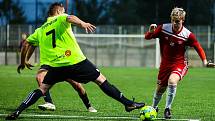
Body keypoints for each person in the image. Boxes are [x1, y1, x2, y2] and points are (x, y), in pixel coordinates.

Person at [6, 2, 145, 120]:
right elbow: (71, 18)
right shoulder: (60, 17)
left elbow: (27, 44)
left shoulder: (40, 30)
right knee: (101, 80)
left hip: (55, 67)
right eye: (64, 11)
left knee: (42, 88)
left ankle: (18, 111)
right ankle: (127, 103)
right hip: (75, 61)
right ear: (59, 10)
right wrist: (82, 23)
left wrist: (24, 61)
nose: (65, 12)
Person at [144, 7, 215, 119]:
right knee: (160, 90)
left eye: (177, 21)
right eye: (173, 20)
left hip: (180, 64)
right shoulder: (163, 28)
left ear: (182, 20)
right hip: (165, 64)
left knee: (172, 81)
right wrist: (150, 32)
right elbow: (147, 37)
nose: (175, 23)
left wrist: (205, 62)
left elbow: (198, 47)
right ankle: (154, 108)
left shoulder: (187, 34)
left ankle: (167, 108)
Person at [21, 45, 97, 112]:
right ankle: (49, 103)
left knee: (77, 85)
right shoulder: (40, 32)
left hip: (64, 61)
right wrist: (26, 59)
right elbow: (30, 44)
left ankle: (88, 105)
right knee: (40, 77)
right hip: (49, 62)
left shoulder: (60, 30)